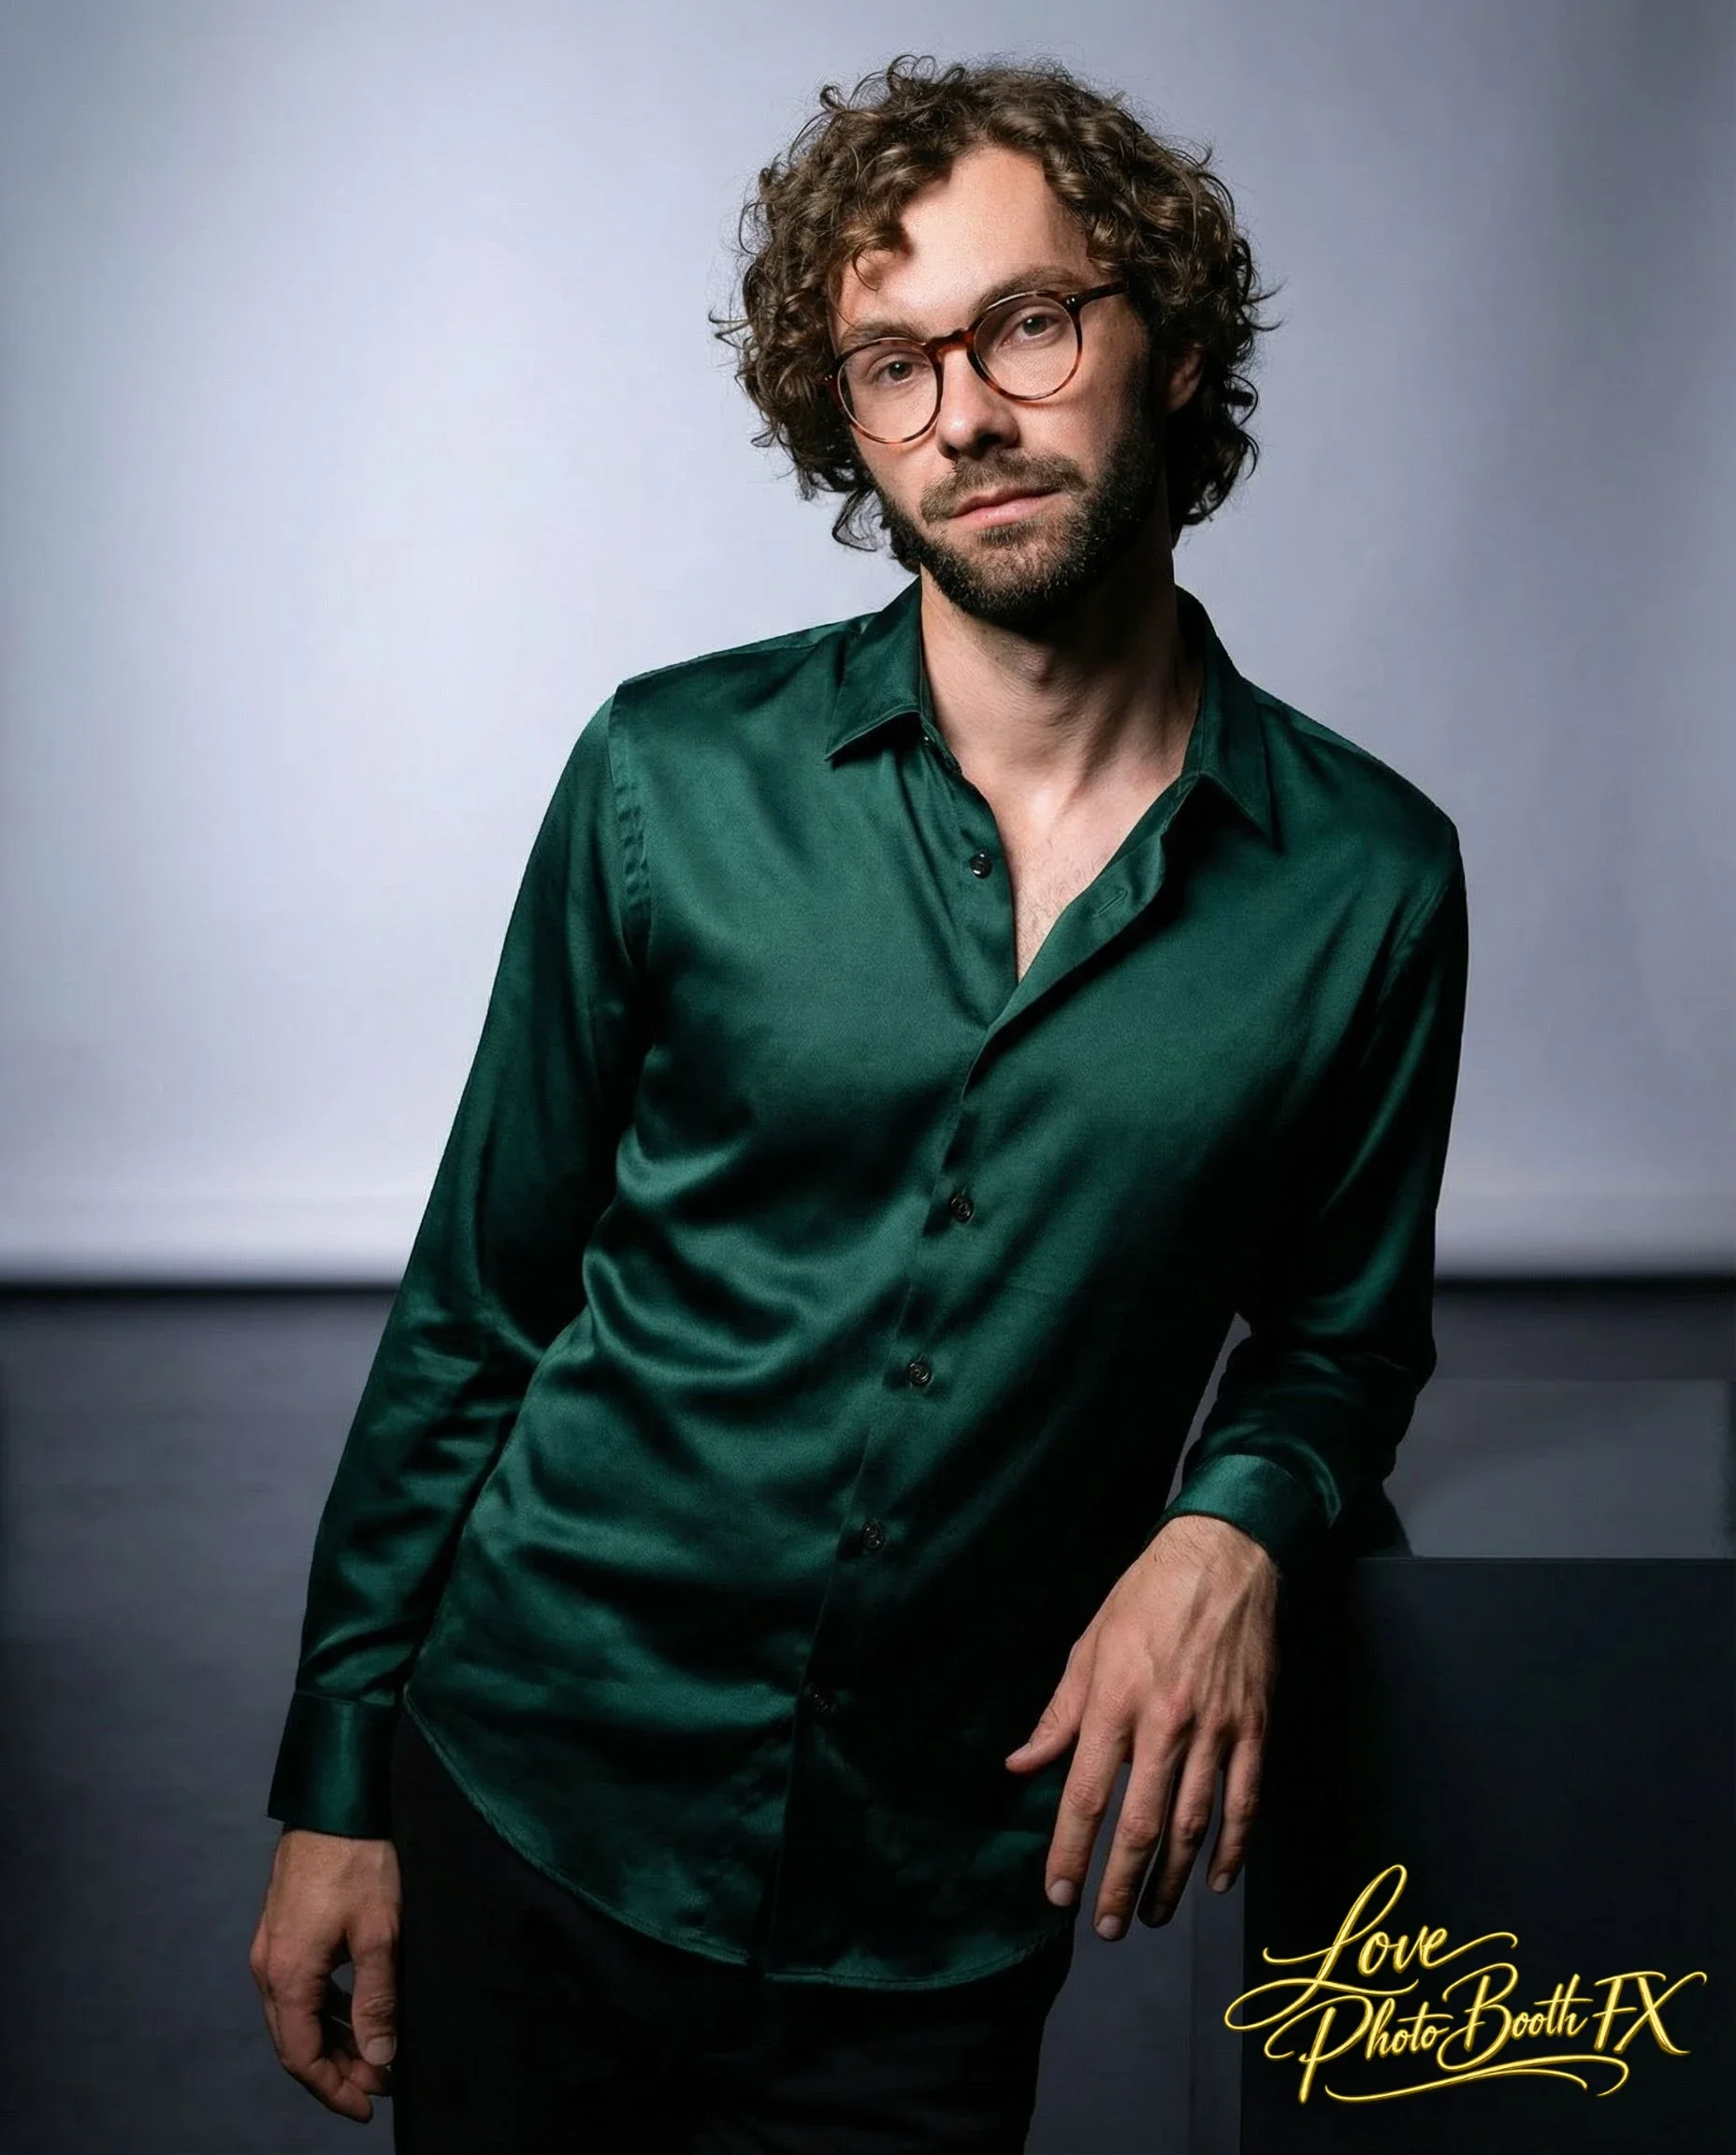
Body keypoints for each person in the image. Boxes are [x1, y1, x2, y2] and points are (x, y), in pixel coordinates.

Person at [250, 51, 1469, 2153]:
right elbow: (478, 1306)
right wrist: (338, 1784)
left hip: (928, 1912)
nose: (964, 415)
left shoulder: (1367, 881)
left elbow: (1343, 1340)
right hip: (529, 1798)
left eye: (1026, 324)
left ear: (1172, 346)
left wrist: (1231, 1525)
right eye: (892, 365)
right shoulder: (665, 776)